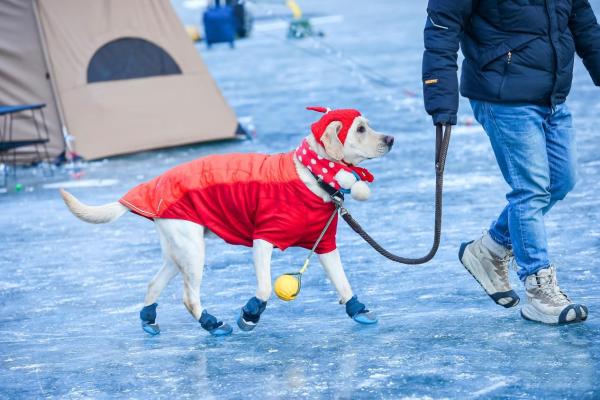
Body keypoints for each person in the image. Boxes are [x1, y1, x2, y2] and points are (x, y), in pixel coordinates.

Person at [422, 0, 600, 324]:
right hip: (503, 95)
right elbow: (442, 28)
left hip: (553, 95)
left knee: (562, 180)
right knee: (530, 189)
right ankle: (539, 289)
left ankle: (490, 248)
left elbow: (583, 21)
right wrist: (441, 102)